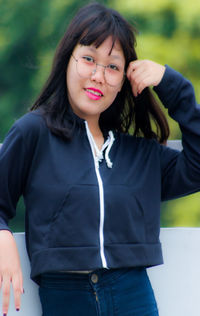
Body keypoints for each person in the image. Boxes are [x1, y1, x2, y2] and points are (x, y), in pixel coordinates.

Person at [0, 2, 200, 315]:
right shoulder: (33, 133)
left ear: (124, 79)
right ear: (68, 59)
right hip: (65, 296)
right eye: (89, 59)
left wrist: (172, 85)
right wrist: (2, 238)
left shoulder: (139, 154)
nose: (98, 76)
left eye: (112, 67)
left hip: (132, 294)